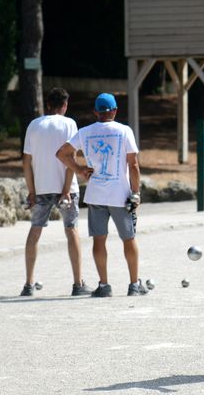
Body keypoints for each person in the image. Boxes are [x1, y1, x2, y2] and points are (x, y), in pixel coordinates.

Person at [56, 93, 147, 297]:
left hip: (96, 195)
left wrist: (79, 170)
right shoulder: (124, 131)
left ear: (95, 112)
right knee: (129, 238)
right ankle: (134, 284)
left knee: (99, 240)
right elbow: (133, 164)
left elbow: (62, 153)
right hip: (120, 195)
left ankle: (104, 285)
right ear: (115, 110)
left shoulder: (85, 132)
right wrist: (135, 193)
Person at [21, 87, 93, 296]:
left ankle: (28, 284)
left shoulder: (34, 125)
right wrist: (65, 190)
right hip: (66, 188)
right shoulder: (69, 123)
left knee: (35, 230)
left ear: (48, 104)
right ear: (65, 105)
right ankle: (78, 283)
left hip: (41, 186)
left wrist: (32, 190)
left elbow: (26, 162)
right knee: (71, 230)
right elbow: (70, 159)